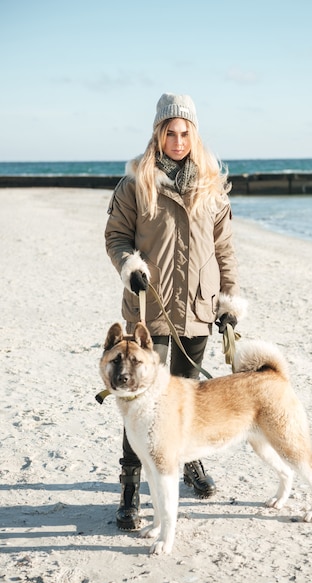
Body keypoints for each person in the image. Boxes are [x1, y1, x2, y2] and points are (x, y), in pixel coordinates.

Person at [105, 93, 247, 530]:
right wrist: (130, 264)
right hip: (151, 311)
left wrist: (229, 298)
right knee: (139, 401)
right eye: (171, 131)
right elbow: (116, 237)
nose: (178, 139)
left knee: (190, 397)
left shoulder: (211, 183)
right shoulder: (136, 183)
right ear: (158, 133)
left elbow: (223, 248)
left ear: (194, 134)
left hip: (199, 310)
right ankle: (130, 491)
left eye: (185, 132)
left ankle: (189, 463)